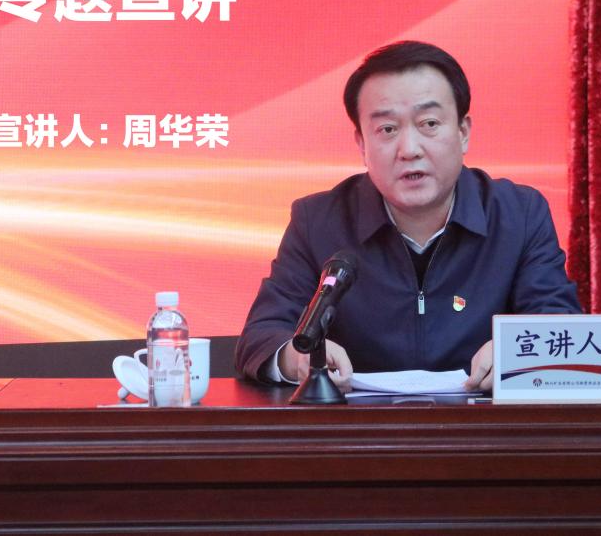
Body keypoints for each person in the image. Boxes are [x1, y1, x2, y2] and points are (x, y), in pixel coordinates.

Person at [234, 41, 582, 392]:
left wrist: (517, 352)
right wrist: (296, 358)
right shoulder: (318, 220)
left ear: (463, 133)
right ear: (362, 144)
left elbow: (560, 323)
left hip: (482, 422)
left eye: (429, 123)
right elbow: (262, 334)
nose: (409, 150)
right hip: (357, 424)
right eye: (387, 129)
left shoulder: (519, 214)